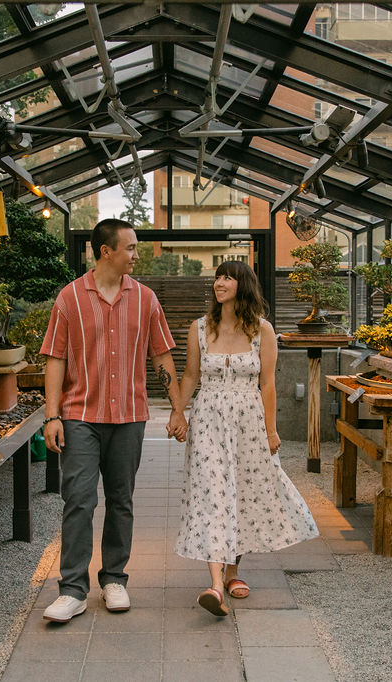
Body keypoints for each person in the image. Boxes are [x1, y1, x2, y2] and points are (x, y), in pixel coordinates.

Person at [40, 218, 187, 623]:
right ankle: (73, 590)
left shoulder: (146, 300)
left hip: (129, 417)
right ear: (106, 251)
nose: (136, 255)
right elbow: (55, 358)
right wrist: (52, 415)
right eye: (131, 248)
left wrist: (177, 408)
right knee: (79, 502)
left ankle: (114, 579)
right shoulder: (69, 299)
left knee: (121, 501)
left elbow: (161, 356)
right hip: (80, 416)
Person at [173, 261, 319, 616]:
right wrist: (178, 412)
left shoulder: (262, 330)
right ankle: (213, 583)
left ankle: (233, 572)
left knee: (241, 495)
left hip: (248, 421)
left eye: (227, 277)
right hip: (208, 418)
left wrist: (271, 431)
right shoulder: (199, 328)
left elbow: (267, 383)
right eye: (218, 277)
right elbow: (191, 375)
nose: (219, 283)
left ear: (244, 285)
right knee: (212, 494)